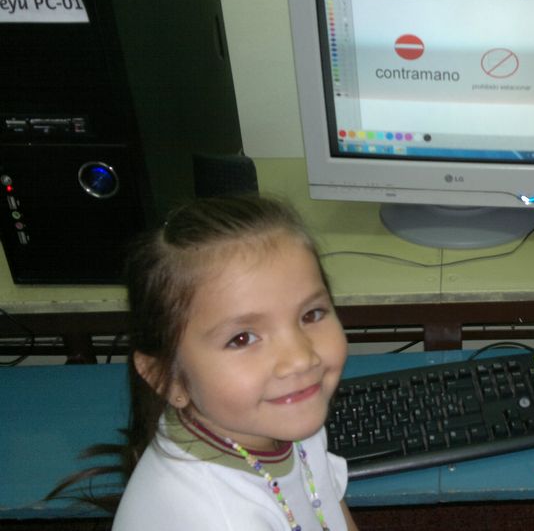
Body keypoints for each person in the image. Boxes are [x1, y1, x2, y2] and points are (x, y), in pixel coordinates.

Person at [53, 195, 358, 530]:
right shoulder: (221, 519)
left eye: (311, 314)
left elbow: (326, 501)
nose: (300, 359)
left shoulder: (283, 414)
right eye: (242, 338)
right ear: (166, 378)